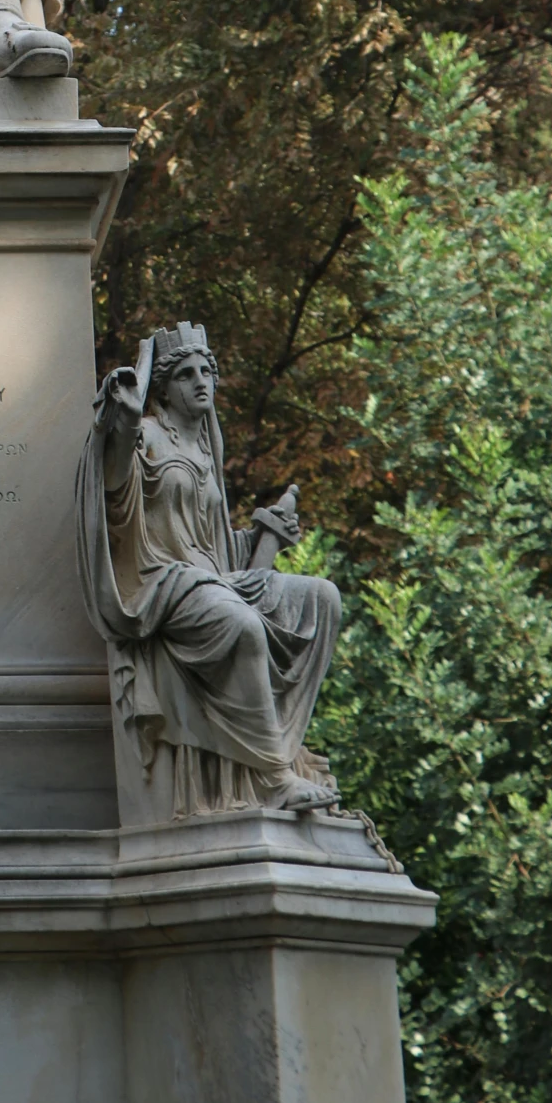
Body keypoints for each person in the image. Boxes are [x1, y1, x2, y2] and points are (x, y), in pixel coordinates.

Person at [76, 320, 341, 817]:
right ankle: (275, 776)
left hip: (212, 579)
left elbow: (217, 550)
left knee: (321, 598)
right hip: (162, 582)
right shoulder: (149, 434)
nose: (201, 381)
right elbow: (114, 492)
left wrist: (266, 537)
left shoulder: (205, 448)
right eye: (186, 374)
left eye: (207, 372)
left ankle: (281, 747)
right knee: (241, 625)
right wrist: (126, 424)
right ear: (164, 389)